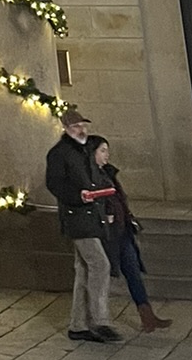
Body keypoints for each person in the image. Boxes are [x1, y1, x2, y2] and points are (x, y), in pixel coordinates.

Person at [44, 107, 121, 343]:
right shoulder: (59, 153)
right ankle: (100, 320)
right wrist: (79, 196)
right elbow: (55, 184)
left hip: (92, 215)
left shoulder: (85, 151)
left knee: (84, 269)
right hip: (76, 216)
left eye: (84, 126)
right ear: (66, 129)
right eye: (77, 127)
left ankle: (78, 325)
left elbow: (96, 177)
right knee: (99, 263)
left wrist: (104, 203)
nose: (82, 130)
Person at [88, 136, 172, 333]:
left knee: (133, 269)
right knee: (103, 275)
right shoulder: (91, 177)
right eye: (102, 150)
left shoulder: (108, 173)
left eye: (107, 150)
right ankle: (96, 320)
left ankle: (147, 315)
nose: (106, 154)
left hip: (122, 228)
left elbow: (119, 199)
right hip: (108, 233)